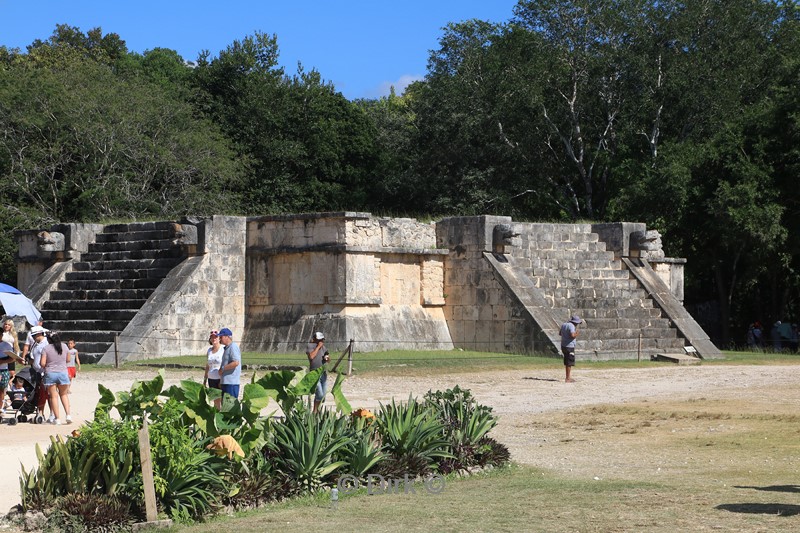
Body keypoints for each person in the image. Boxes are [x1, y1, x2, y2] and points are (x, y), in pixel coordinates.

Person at [40, 331, 71, 424]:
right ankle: (68, 415)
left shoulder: (46, 348)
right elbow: (68, 359)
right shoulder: (64, 346)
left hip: (50, 373)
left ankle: (57, 418)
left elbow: (42, 363)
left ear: (49, 339)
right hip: (62, 372)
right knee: (64, 395)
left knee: (54, 396)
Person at [306, 331, 330, 413]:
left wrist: (327, 359)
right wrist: (318, 347)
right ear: (315, 340)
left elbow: (328, 358)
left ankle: (318, 411)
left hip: (323, 373)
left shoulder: (324, 348)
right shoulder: (310, 346)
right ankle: (315, 411)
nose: (321, 342)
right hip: (314, 373)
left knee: (323, 395)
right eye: (320, 340)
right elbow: (311, 356)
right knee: (319, 394)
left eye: (322, 340)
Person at [217, 328, 241, 401]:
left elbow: (236, 362)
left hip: (231, 383)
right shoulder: (226, 348)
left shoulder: (233, 346)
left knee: (231, 407)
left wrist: (223, 368)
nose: (219, 339)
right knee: (225, 407)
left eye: (221, 337)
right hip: (226, 383)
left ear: (227, 337)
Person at [0, 338, 22, 412]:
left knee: (2, 391)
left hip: (3, 370)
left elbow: (13, 358)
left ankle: (1, 407)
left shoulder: (6, 345)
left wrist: (2, 361)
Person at [204, 330, 224, 409]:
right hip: (211, 378)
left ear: (219, 338)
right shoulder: (209, 350)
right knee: (215, 400)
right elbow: (208, 365)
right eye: (212, 337)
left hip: (220, 378)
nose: (214, 339)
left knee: (223, 399)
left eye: (215, 337)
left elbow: (225, 364)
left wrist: (222, 379)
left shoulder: (223, 349)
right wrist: (205, 380)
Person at [560, 315, 582, 383]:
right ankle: (568, 378)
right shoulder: (572, 326)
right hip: (569, 346)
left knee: (567, 361)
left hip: (563, 345)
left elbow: (560, 333)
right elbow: (572, 335)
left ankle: (568, 377)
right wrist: (576, 334)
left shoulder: (564, 324)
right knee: (569, 362)